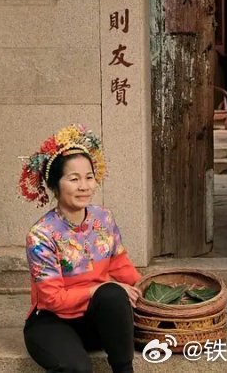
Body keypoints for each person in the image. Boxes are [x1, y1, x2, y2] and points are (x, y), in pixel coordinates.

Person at [19, 124, 141, 373]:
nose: (84, 186)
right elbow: (53, 299)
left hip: (96, 319)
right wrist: (96, 288)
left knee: (112, 295)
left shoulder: (104, 218)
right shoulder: (41, 235)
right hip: (53, 322)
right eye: (74, 179)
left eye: (89, 177)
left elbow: (121, 265)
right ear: (55, 186)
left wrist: (146, 291)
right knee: (77, 368)